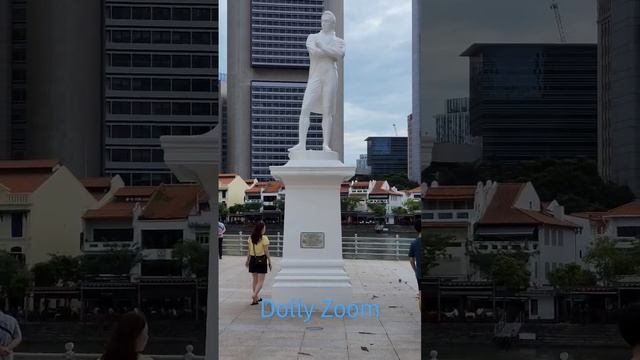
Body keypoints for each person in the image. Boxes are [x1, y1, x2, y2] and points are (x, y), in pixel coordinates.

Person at [289, 10, 345, 153]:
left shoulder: (339, 41)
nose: (324, 23)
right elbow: (314, 52)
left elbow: (339, 55)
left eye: (327, 21)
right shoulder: (312, 37)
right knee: (305, 107)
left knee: (328, 111)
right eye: (322, 21)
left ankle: (326, 144)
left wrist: (323, 47)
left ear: (333, 23)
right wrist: (327, 51)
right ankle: (301, 143)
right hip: (316, 75)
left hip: (331, 75)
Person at [245, 222, 271, 305]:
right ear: (261, 229)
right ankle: (254, 295)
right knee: (260, 281)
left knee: (255, 280)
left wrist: (247, 260)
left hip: (252, 260)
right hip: (262, 260)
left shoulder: (250, 238)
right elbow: (266, 251)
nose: (265, 229)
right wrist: (269, 261)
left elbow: (249, 251)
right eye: (264, 228)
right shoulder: (264, 238)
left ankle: (255, 299)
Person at [408, 220, 422, 311]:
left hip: (420, 273)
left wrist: (416, 270)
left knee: (421, 294)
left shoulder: (414, 243)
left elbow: (411, 260)